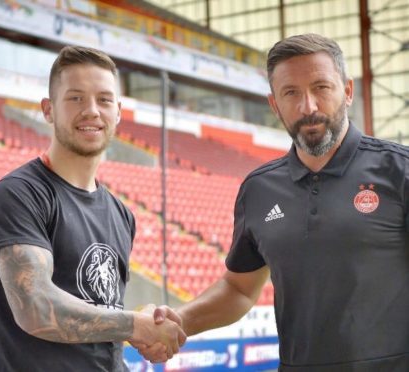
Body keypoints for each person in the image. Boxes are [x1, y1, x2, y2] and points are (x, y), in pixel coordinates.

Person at [138, 33, 409, 371]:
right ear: (274, 104)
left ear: (348, 91)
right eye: (291, 93)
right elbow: (238, 289)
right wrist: (179, 321)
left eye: (321, 88)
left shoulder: (399, 171)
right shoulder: (259, 188)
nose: (307, 106)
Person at [0, 45, 185, 372]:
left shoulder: (122, 214)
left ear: (119, 112)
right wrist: (135, 325)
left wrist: (144, 325)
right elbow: (36, 307)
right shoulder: (19, 195)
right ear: (48, 110)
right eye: (76, 98)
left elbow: (103, 314)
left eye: (104, 100)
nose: (92, 110)